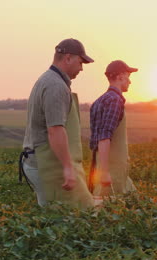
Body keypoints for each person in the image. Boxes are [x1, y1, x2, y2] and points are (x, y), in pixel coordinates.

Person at [20, 38, 95, 209]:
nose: (82, 68)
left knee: (56, 215)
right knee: (71, 215)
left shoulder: (47, 79)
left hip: (40, 160)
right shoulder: (55, 86)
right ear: (68, 58)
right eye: (81, 62)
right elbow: (55, 129)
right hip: (47, 163)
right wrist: (68, 168)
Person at [88, 60, 138, 197]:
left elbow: (95, 142)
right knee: (110, 210)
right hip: (112, 172)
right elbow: (104, 137)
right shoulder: (115, 100)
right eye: (128, 76)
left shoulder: (98, 102)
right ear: (120, 76)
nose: (130, 81)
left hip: (107, 169)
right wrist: (105, 173)